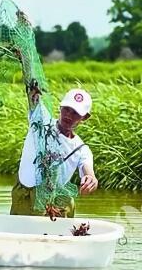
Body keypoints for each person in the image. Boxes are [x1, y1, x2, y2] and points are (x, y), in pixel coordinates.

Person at [10, 88, 98, 217]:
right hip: (26, 197)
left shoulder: (81, 149)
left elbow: (88, 172)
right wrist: (33, 92)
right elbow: (34, 101)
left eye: (75, 113)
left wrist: (91, 179)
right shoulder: (41, 123)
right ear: (60, 106)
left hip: (55, 205)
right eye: (66, 109)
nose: (69, 115)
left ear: (85, 117)